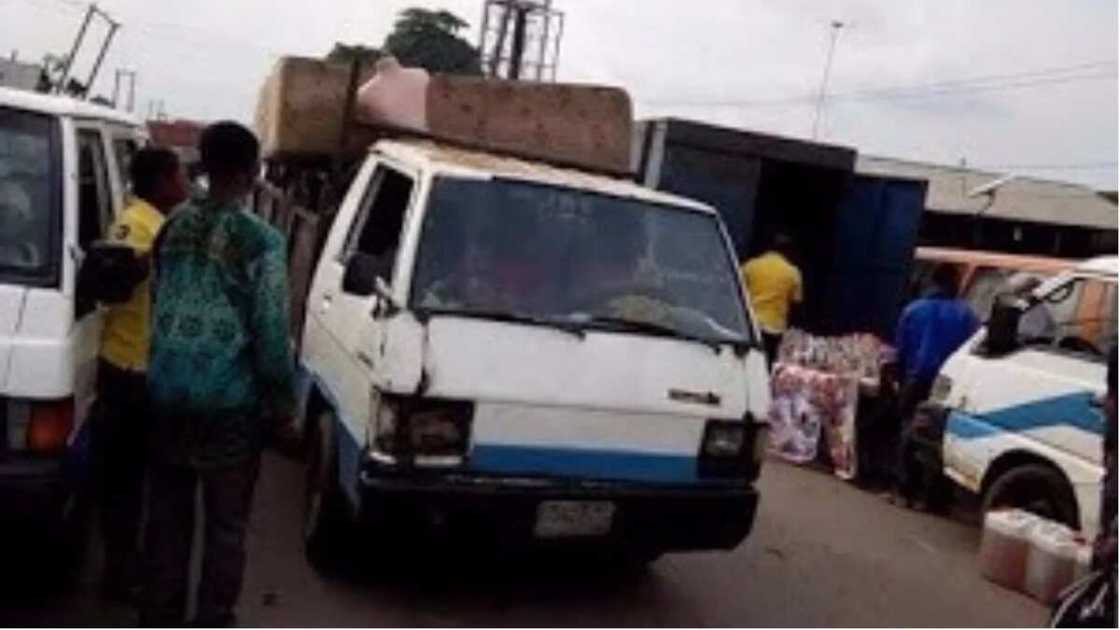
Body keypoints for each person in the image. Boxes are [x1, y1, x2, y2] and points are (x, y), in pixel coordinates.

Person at [141, 122, 294, 627]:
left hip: (165, 394)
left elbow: (157, 300)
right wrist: (282, 406)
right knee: (226, 528)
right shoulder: (262, 241)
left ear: (202, 167)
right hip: (228, 405)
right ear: (253, 173)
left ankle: (159, 615)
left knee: (167, 521)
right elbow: (272, 333)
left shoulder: (172, 227)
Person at [91, 147, 187, 602]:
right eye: (180, 176)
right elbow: (115, 280)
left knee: (146, 482)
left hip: (149, 369)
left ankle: (138, 571)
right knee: (126, 483)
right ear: (162, 181)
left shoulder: (159, 223)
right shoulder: (138, 224)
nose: (186, 184)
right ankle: (119, 575)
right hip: (128, 370)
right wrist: (155, 255)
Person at [891, 263, 979, 506]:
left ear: (932, 282)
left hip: (917, 379)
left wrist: (899, 381)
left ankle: (904, 491)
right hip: (950, 384)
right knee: (940, 437)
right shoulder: (968, 316)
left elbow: (901, 350)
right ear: (955, 284)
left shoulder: (914, 310)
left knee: (908, 431)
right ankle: (933, 498)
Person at [741, 232, 802, 366]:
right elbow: (796, 304)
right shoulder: (792, 273)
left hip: (748, 324)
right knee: (765, 364)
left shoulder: (751, 266)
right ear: (788, 251)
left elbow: (737, 291)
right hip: (774, 328)